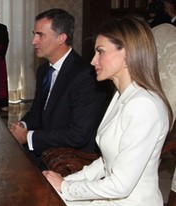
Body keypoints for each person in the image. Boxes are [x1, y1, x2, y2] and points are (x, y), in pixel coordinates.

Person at [43, 16, 173, 205]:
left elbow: (121, 185)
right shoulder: (121, 95)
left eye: (100, 52)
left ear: (128, 54)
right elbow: (106, 162)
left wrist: (65, 187)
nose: (93, 60)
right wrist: (67, 181)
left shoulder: (144, 106)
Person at [8, 9, 106, 169]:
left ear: (61, 38)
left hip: (71, 157)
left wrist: (28, 137)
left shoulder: (85, 75)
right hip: (48, 146)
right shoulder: (44, 70)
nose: (34, 41)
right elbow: (37, 113)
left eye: (40, 35)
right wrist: (22, 125)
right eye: (34, 34)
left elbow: (78, 135)